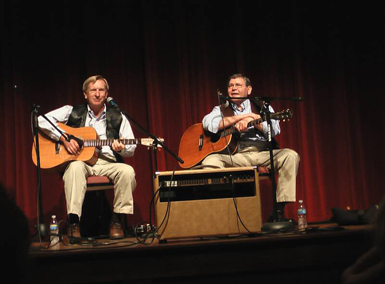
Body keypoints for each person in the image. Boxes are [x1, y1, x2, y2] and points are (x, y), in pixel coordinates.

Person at [38, 75, 137, 239]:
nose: (97, 94)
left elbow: (131, 149)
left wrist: (120, 148)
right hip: (81, 161)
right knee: (75, 168)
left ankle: (117, 219)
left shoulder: (119, 116)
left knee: (127, 171)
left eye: (101, 90)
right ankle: (74, 223)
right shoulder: (72, 111)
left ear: (106, 94)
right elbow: (41, 120)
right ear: (85, 94)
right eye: (93, 90)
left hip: (108, 162)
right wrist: (64, 138)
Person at [201, 74, 300, 221]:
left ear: (249, 89)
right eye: (230, 85)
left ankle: (278, 211)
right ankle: (220, 212)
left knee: (290, 156)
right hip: (236, 154)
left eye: (238, 85)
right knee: (210, 161)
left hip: (261, 153)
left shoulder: (262, 106)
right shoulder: (221, 108)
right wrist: (242, 118)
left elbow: (274, 130)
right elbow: (208, 124)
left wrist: (255, 120)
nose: (233, 88)